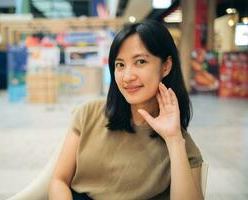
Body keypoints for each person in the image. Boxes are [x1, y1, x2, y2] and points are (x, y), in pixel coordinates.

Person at [49, 19, 204, 200]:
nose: (127, 76)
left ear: (166, 66)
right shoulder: (89, 114)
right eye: (120, 65)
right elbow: (58, 180)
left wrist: (173, 140)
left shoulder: (183, 146)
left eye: (140, 61)